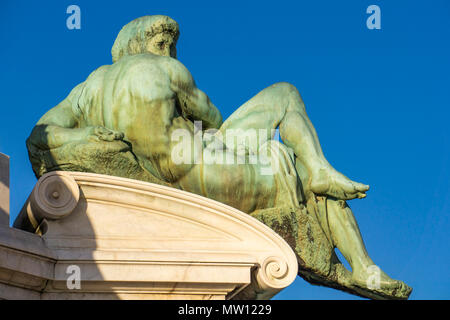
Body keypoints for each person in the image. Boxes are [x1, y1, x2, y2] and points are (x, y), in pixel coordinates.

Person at [27, 15, 411, 299]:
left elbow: (41, 134)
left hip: (173, 174)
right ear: (144, 46)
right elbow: (211, 116)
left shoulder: (87, 88)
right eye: (164, 43)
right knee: (285, 100)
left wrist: (86, 135)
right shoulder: (167, 69)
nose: (169, 50)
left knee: (287, 153)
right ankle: (354, 248)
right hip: (215, 174)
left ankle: (320, 177)